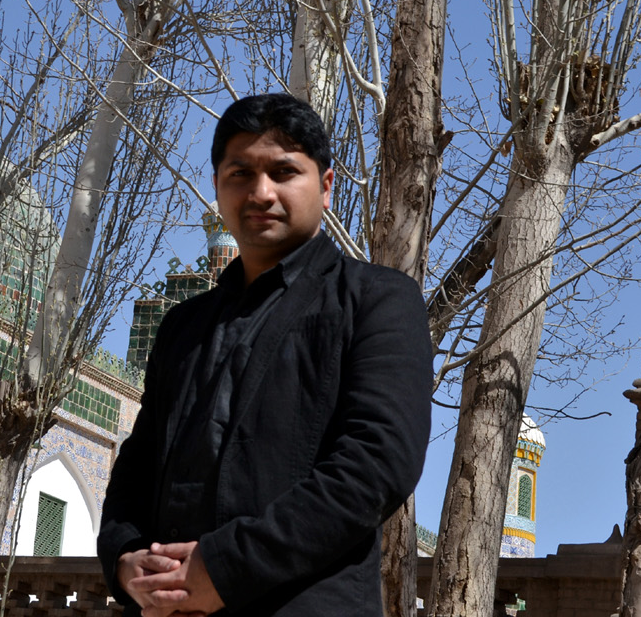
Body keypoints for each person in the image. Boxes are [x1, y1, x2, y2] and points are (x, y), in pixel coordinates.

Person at [97, 93, 432, 616]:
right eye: (240, 174)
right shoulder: (183, 327)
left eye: (283, 171)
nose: (261, 192)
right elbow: (136, 471)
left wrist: (225, 568)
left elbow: (375, 465)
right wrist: (124, 560)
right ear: (217, 186)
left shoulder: (376, 300)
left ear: (324, 186)